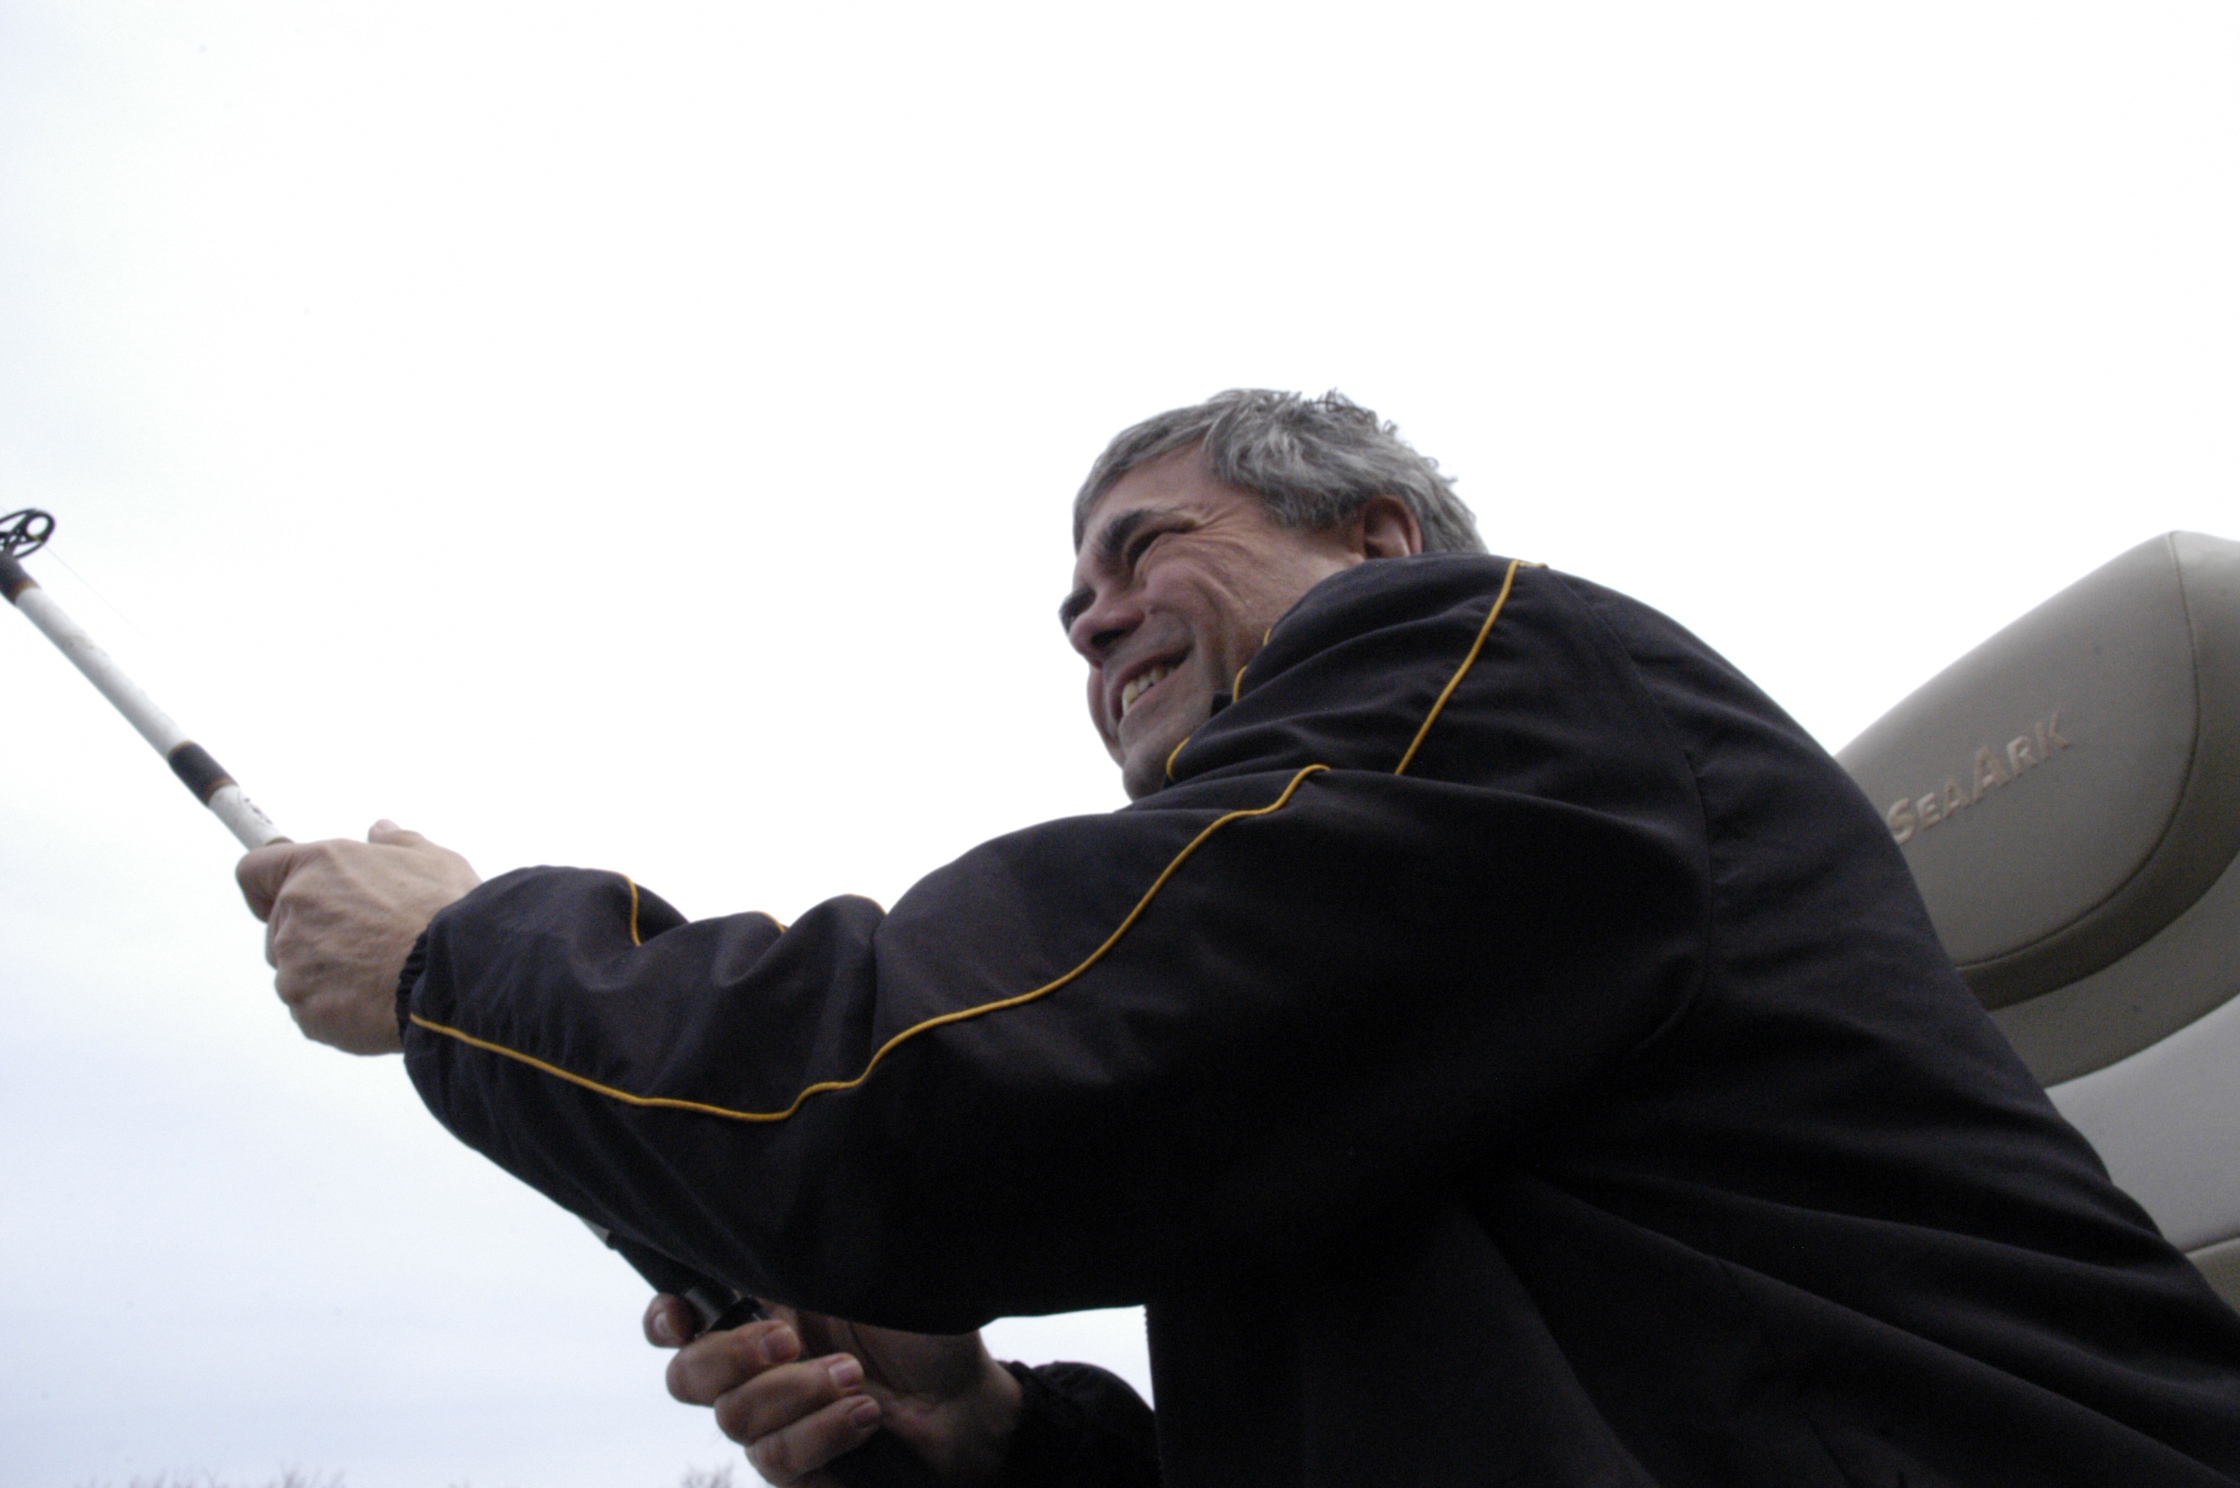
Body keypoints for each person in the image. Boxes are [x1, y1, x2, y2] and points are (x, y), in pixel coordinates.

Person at [239, 390, 2240, 1487]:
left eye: (1146, 548)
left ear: (1370, 540)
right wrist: (984, 1433)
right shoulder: (1353, 998)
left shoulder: (1484, 659)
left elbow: (953, 1078)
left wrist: (462, 957)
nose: (1094, 619)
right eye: (1066, 606)